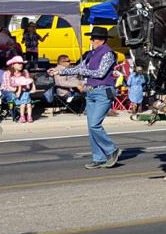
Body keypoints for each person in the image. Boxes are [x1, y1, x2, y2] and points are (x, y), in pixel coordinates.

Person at [50, 27, 120, 169]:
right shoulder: (90, 54)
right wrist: (60, 71)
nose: (91, 41)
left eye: (93, 38)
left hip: (103, 91)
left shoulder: (108, 54)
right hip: (91, 92)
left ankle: (112, 149)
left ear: (100, 40)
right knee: (91, 127)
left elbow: (100, 73)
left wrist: (82, 71)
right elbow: (78, 68)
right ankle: (98, 158)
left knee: (94, 124)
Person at [0, 55, 35, 123]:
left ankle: (25, 116)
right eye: (18, 63)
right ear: (13, 65)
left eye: (22, 63)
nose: (21, 65)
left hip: (22, 90)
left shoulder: (25, 72)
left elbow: (27, 85)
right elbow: (7, 86)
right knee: (12, 96)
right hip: (7, 90)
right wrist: (17, 89)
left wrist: (21, 89)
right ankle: (16, 114)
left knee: (25, 96)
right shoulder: (7, 73)